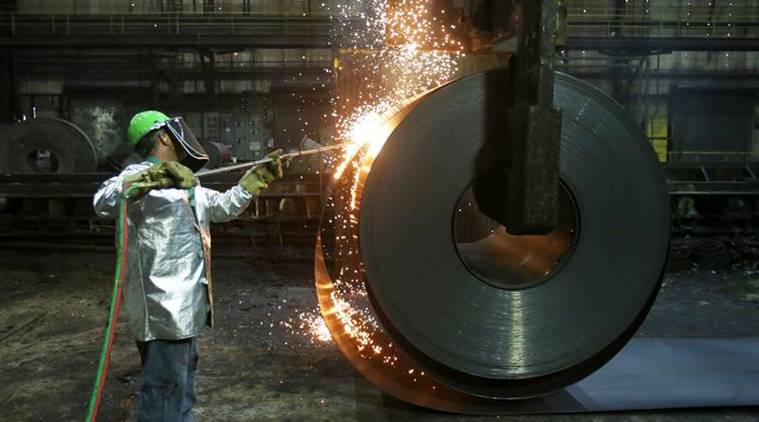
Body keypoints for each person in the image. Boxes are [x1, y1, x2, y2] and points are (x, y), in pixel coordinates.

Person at [93, 110, 283, 421]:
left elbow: (222, 207)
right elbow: (104, 201)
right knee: (163, 397)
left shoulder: (185, 181)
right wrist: (148, 179)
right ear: (164, 136)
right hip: (161, 310)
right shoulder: (137, 175)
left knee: (181, 393)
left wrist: (254, 180)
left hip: (187, 309)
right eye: (174, 131)